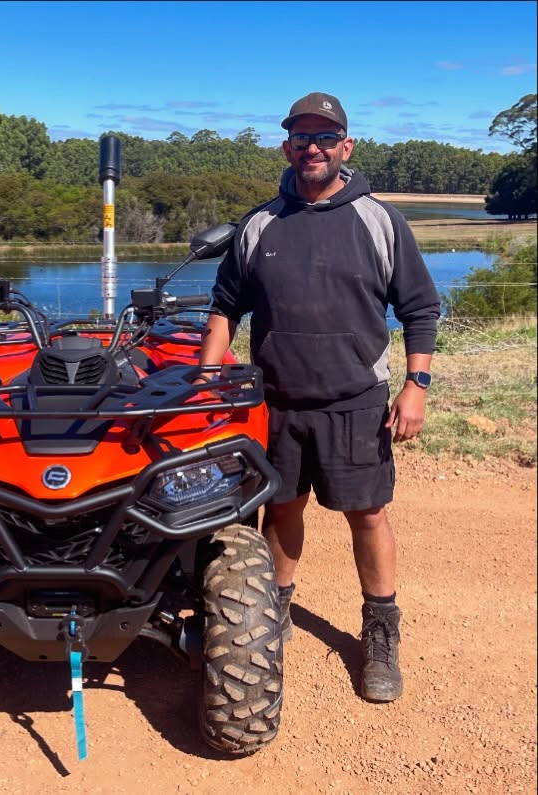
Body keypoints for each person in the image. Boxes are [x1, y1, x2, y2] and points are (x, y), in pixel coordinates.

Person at [195, 91, 441, 702]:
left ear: (345, 147)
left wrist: (417, 385)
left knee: (368, 513)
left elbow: (420, 308)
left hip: (355, 400)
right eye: (302, 137)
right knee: (281, 510)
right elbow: (225, 309)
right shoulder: (260, 225)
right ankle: (271, 614)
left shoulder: (379, 221)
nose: (313, 147)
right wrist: (205, 379)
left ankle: (381, 632)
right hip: (274, 402)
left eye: (326, 138)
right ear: (286, 147)